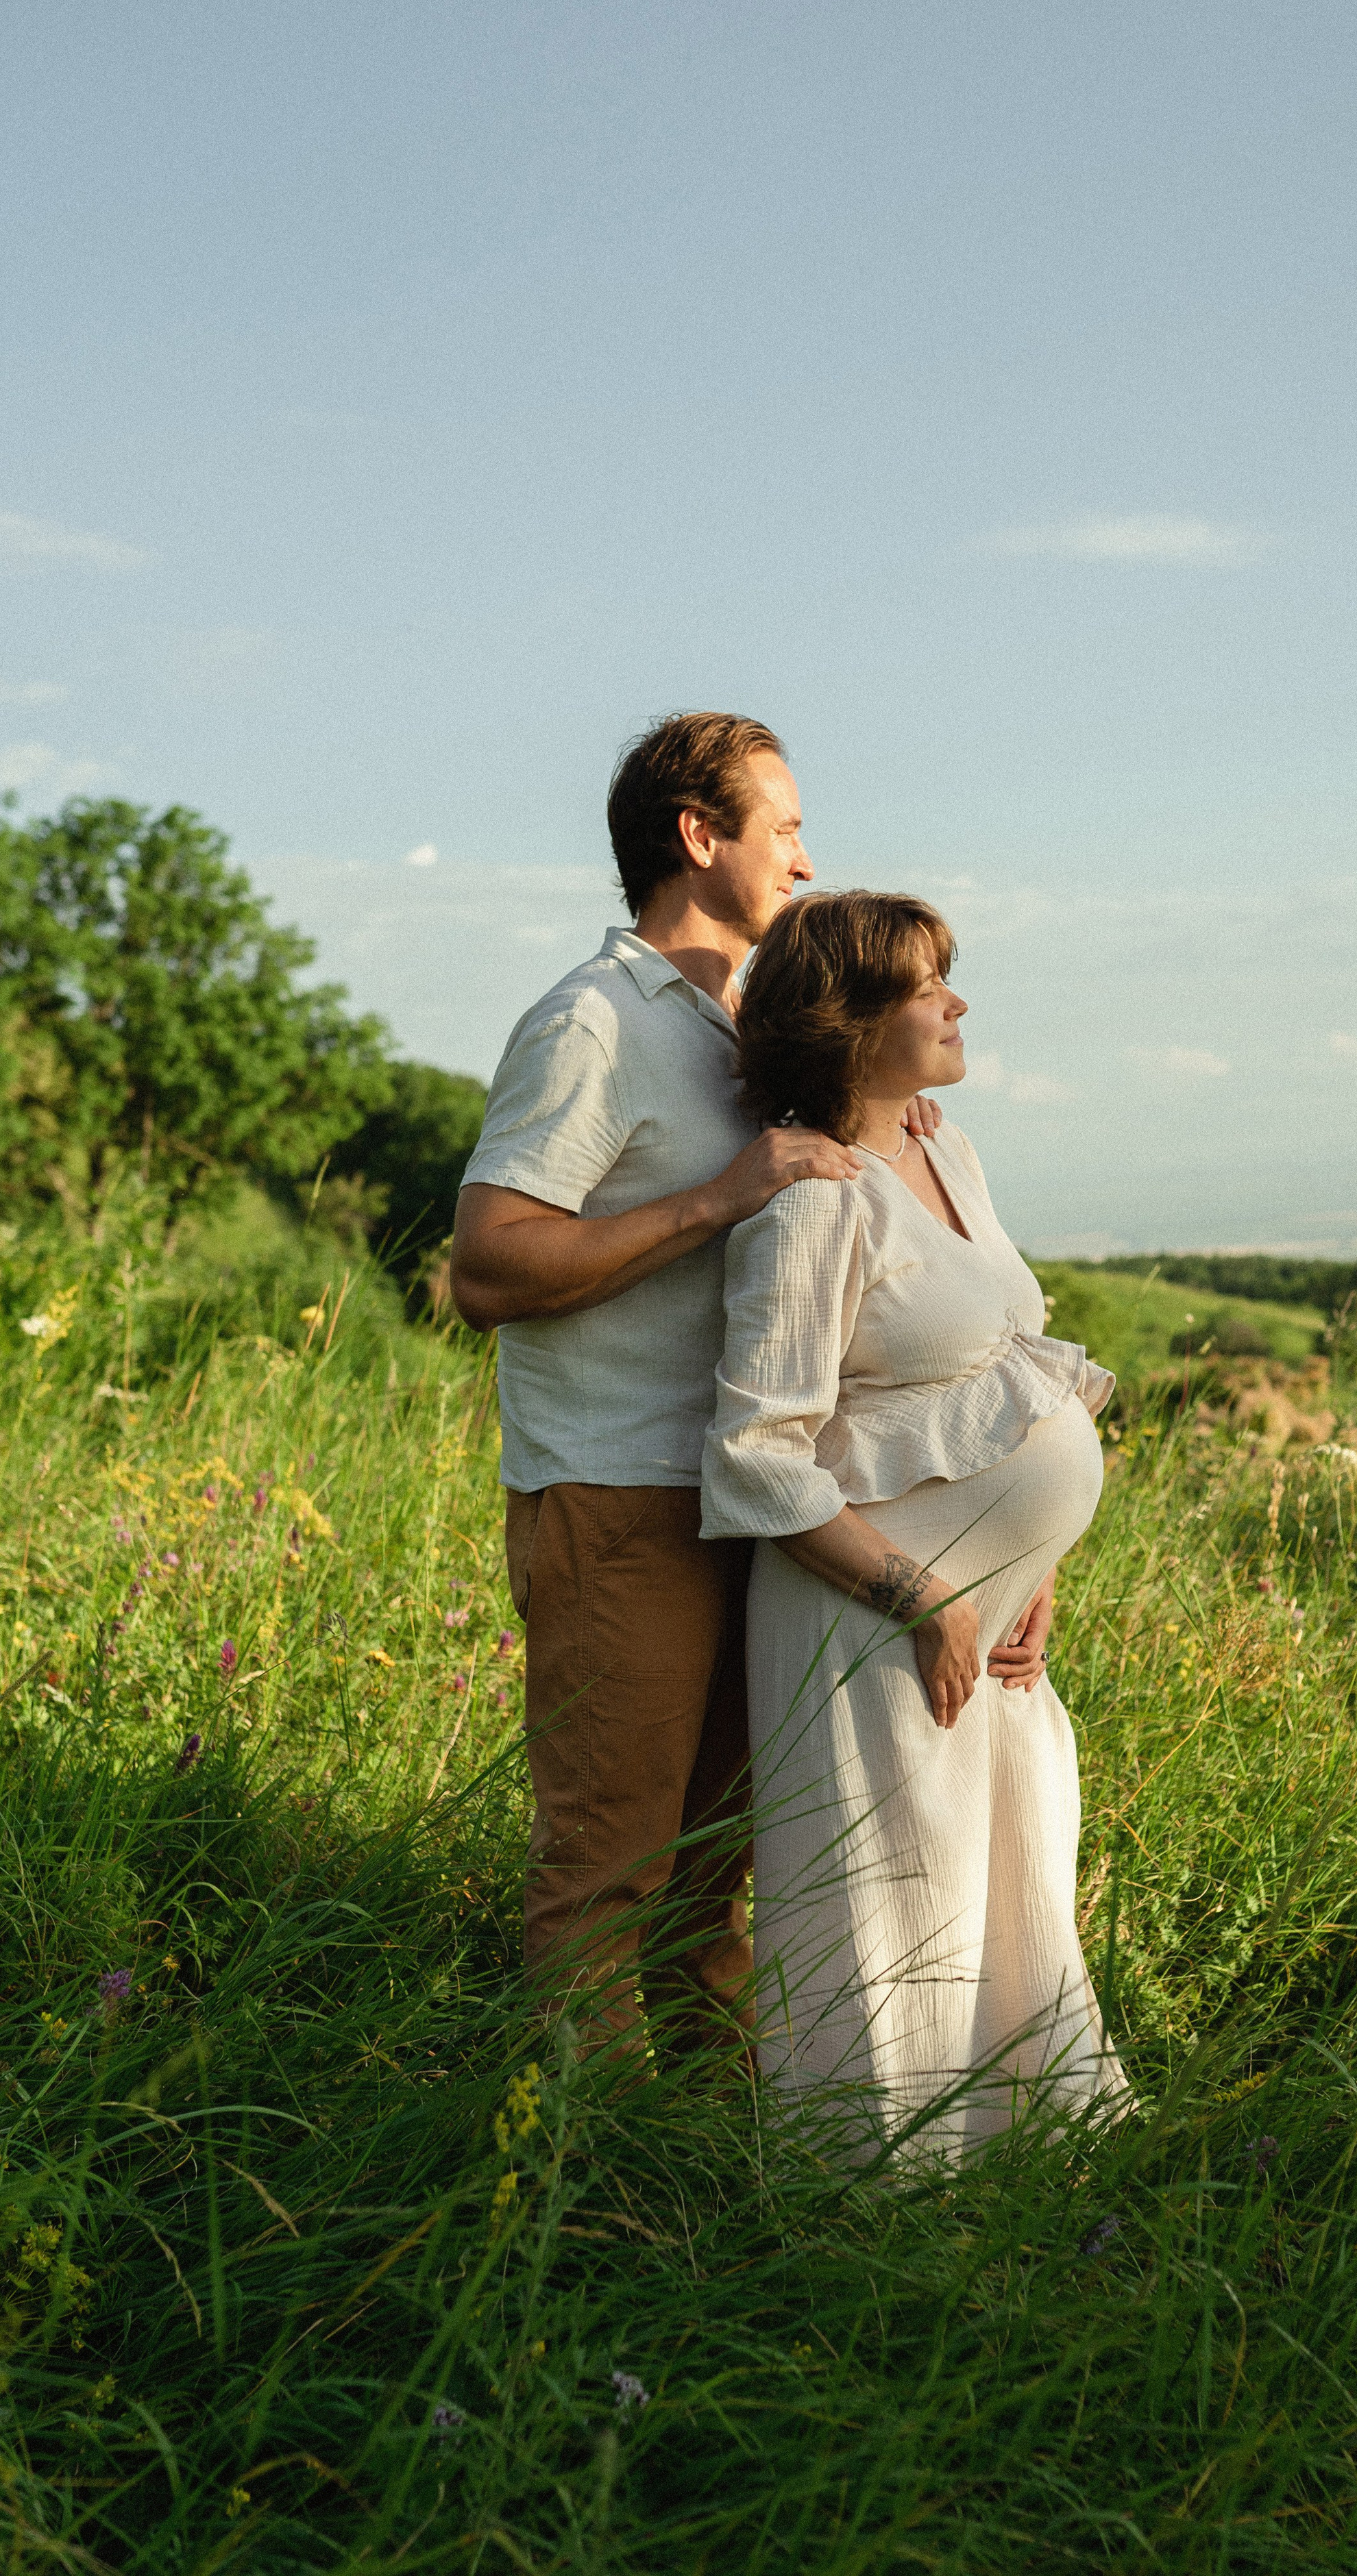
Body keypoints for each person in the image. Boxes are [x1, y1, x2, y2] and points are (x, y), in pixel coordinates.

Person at [449, 714, 938, 2058]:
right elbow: (486, 1265)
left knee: (721, 1879)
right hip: (619, 1498)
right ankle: (580, 2217)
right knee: (608, 1880)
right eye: (782, 825)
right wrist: (717, 1196)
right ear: (697, 834)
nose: (804, 852)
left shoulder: (753, 1024)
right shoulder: (591, 1022)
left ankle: (703, 2200)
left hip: (757, 1502)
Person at [699, 891, 1132, 2153]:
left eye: (951, 975)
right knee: (895, 1912)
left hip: (985, 1626)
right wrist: (929, 1598)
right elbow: (756, 1458)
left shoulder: (950, 1153)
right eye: (926, 984)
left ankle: (1019, 2180)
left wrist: (1027, 1571)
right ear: (846, 1021)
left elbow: (1010, 1378)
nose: (956, 1001)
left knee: (1008, 1879)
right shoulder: (813, 1204)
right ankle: (875, 2212)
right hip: (869, 1620)